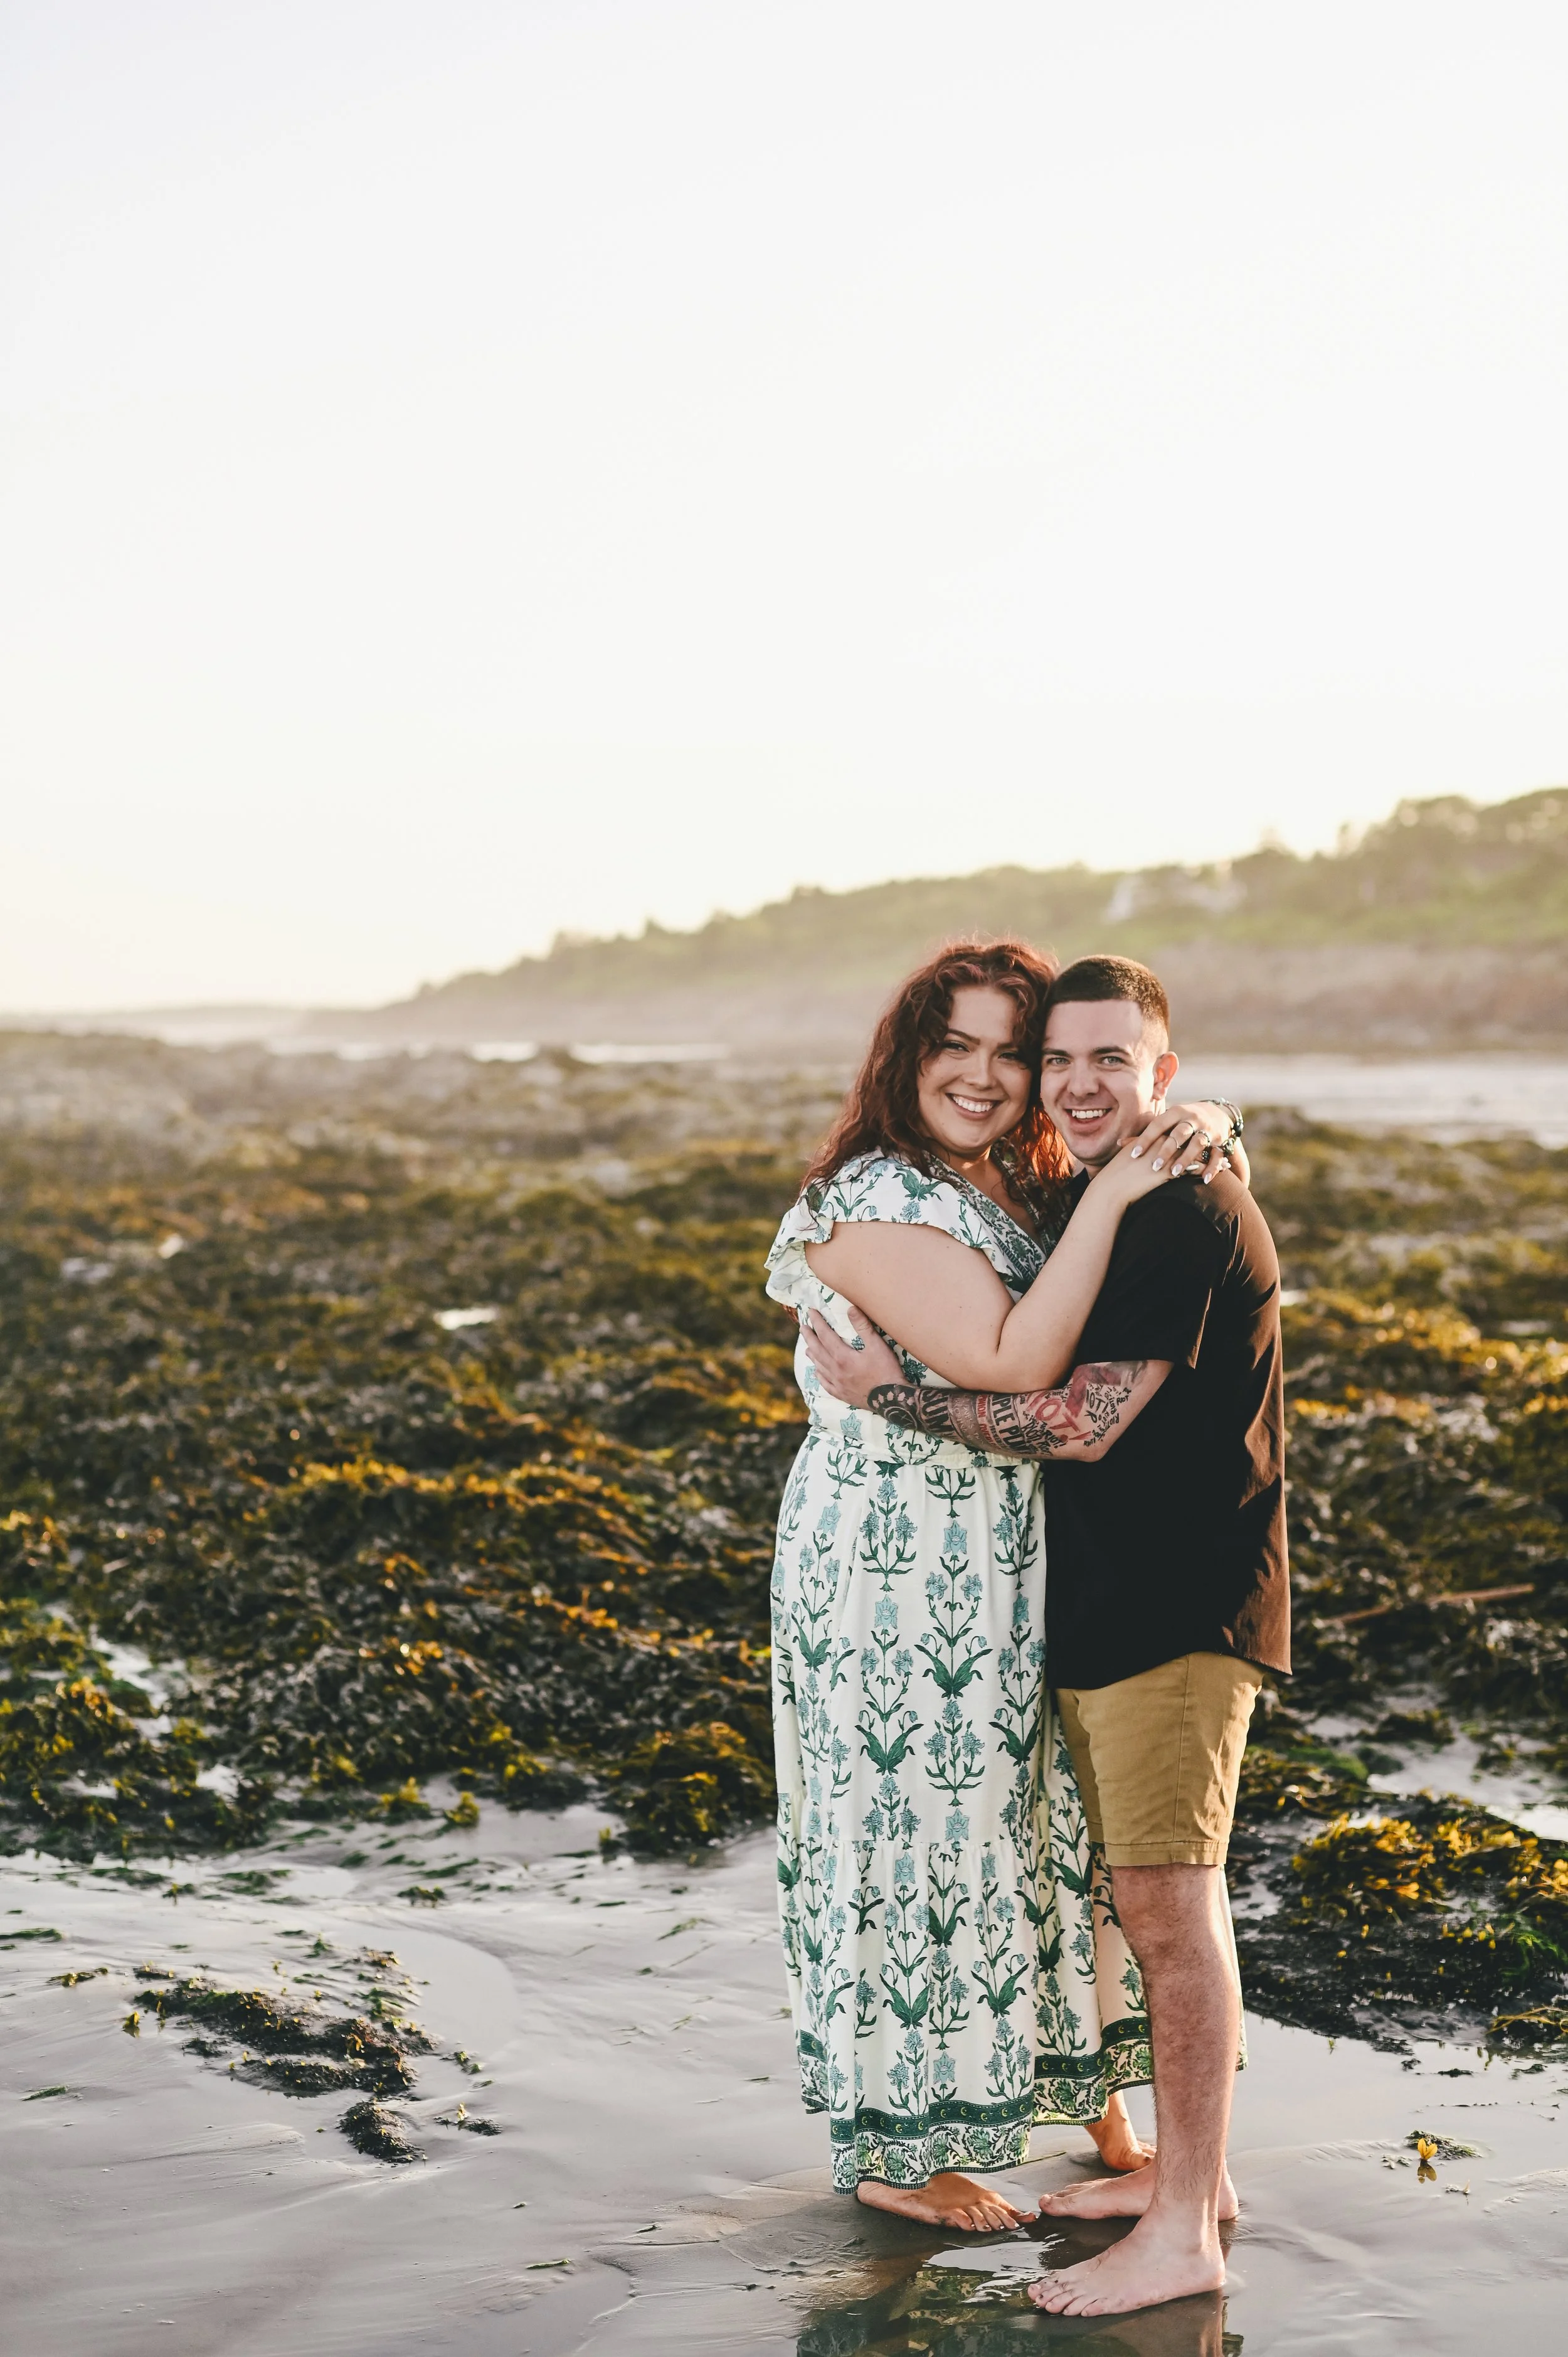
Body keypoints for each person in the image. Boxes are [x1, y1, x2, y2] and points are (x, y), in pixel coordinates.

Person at [803, 952, 1287, 2316]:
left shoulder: (1173, 1206)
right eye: (1048, 1058)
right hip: (1082, 1602)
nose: (1059, 1085)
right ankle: (1172, 2177)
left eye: (1099, 1062)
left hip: (1172, 1607)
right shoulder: (1087, 1194)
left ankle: (1185, 2219)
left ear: (1159, 1074)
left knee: (1166, 1911)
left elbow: (1067, 1415)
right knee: (1131, 1903)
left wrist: (889, 1398)